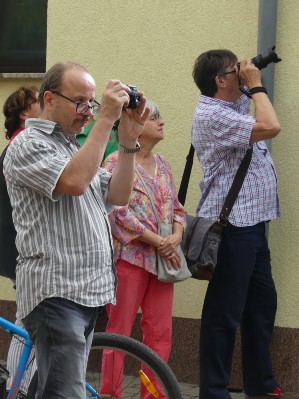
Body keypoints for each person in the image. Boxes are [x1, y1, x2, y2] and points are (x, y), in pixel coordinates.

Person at [3, 61, 150, 399]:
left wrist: (127, 142)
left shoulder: (73, 148)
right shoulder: (27, 144)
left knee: (52, 391)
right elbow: (74, 181)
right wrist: (105, 120)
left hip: (83, 294)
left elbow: (118, 194)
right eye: (80, 102)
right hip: (57, 293)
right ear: (50, 99)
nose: (88, 111)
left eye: (92, 102)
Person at [191, 49, 297, 399]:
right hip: (231, 227)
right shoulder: (211, 115)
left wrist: (248, 76)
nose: (243, 74)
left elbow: (254, 114)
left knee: (261, 306)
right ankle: (214, 391)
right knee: (224, 314)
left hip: (254, 225)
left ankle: (260, 384)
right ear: (220, 81)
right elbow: (271, 125)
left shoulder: (230, 108)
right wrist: (256, 86)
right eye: (233, 71)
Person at [99, 100, 186, 399]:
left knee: (160, 336)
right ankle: (110, 394)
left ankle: (153, 396)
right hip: (130, 261)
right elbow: (117, 214)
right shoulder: (115, 162)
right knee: (118, 333)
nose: (161, 122)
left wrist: (175, 235)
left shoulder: (163, 165)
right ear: (137, 125)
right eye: (155, 118)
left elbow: (177, 208)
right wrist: (158, 241)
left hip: (162, 262)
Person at [0, 86, 40, 397]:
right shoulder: (18, 148)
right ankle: (17, 387)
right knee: (26, 322)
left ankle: (22, 386)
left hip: (23, 249)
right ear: (25, 113)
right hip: (22, 250)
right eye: (39, 102)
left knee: (29, 323)